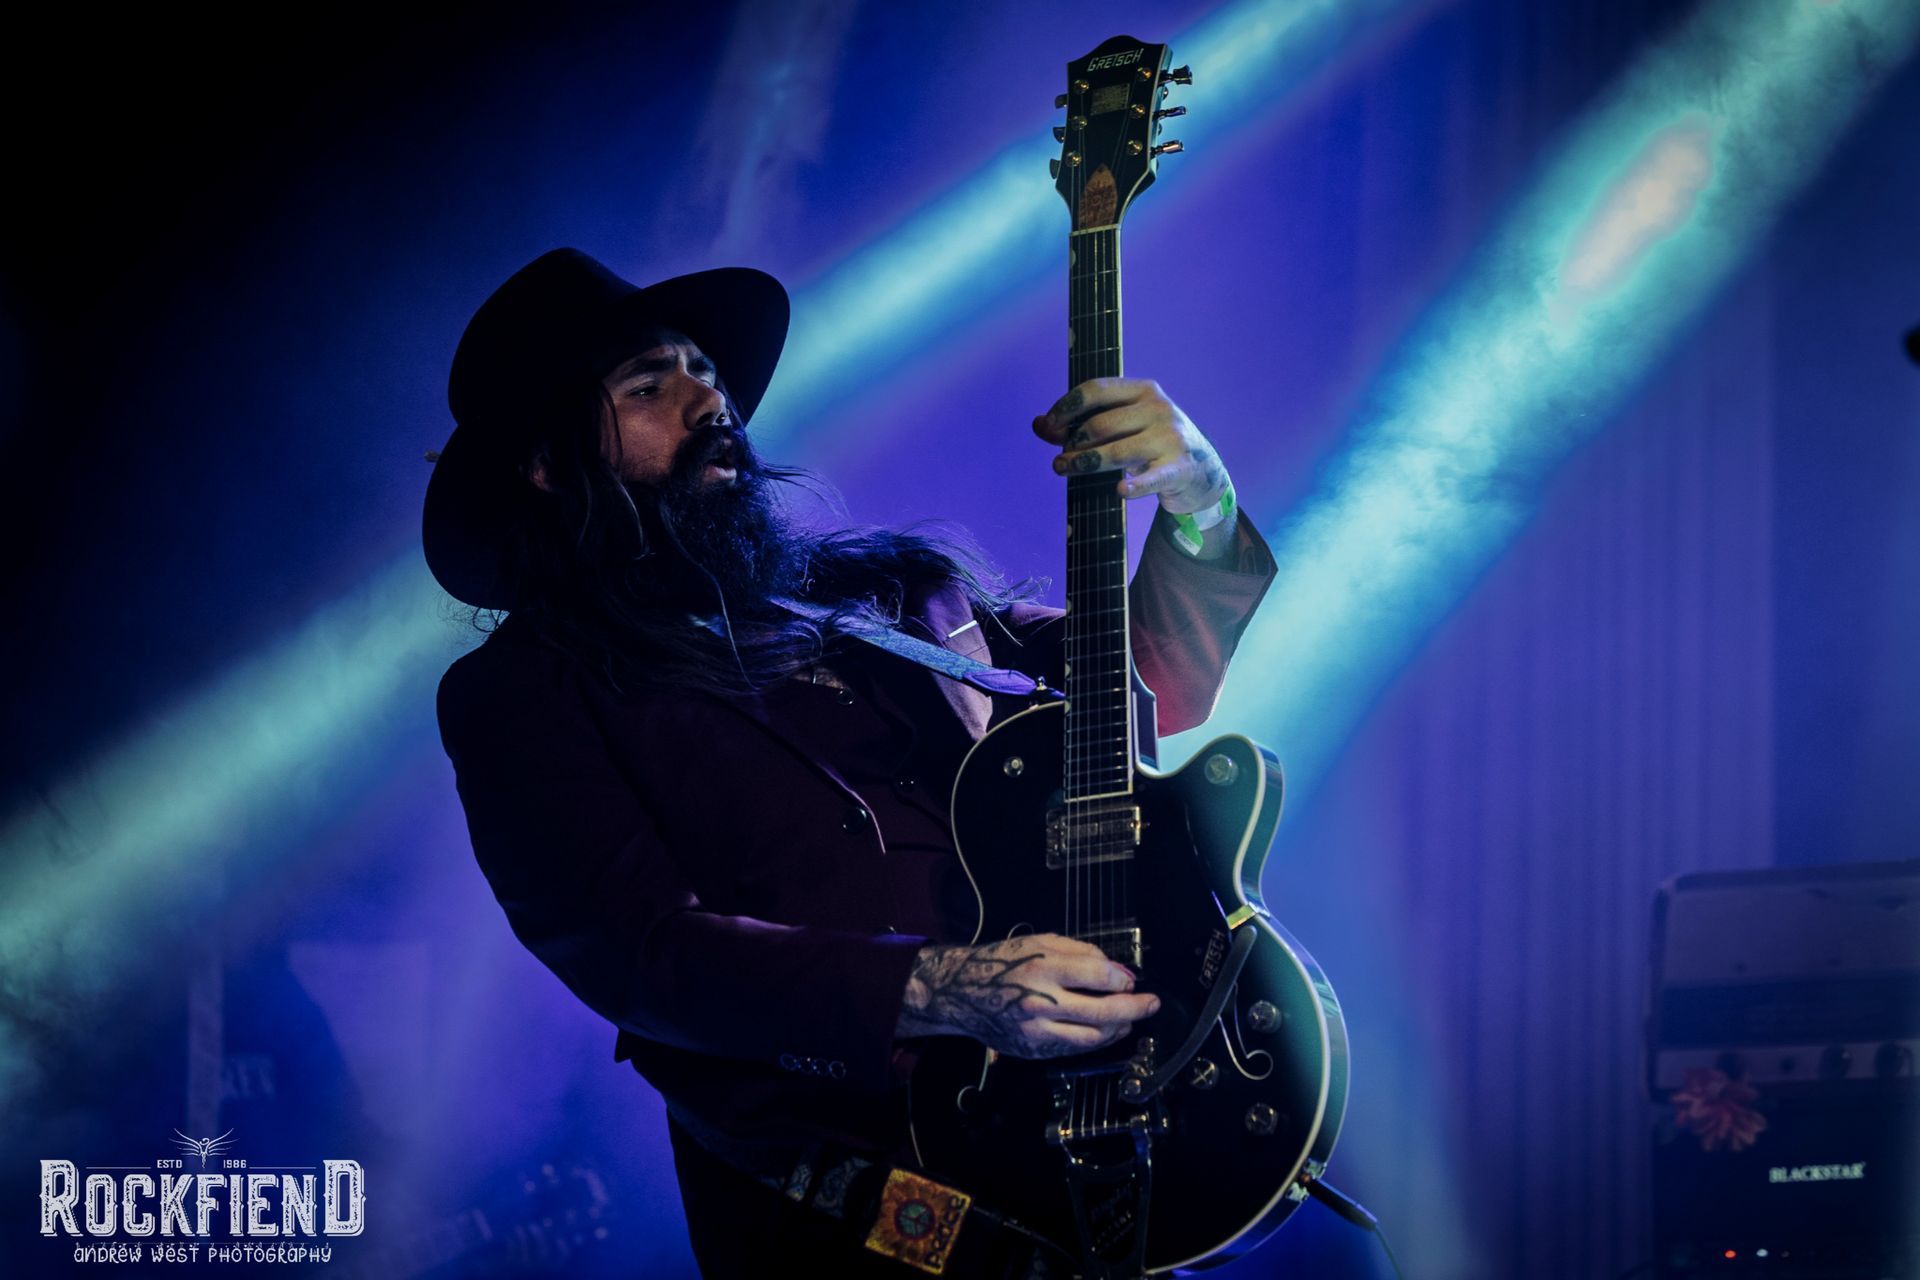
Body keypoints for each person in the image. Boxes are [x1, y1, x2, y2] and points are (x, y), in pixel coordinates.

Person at [423, 249, 1277, 1277]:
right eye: (649, 385)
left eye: (706, 371)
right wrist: (936, 987)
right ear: (547, 464)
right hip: (849, 1200)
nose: (710, 401)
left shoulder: (893, 596)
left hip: (1096, 1123)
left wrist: (1202, 503)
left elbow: (1144, 680)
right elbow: (642, 954)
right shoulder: (524, 691)